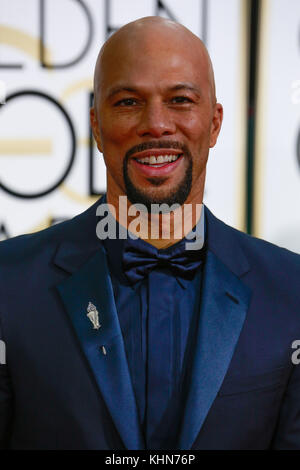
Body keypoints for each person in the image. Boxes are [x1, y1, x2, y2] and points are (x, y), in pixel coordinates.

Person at [0, 16, 300, 450]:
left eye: (180, 100)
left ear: (214, 123)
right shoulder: (9, 285)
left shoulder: (290, 291)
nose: (156, 124)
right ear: (97, 126)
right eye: (127, 102)